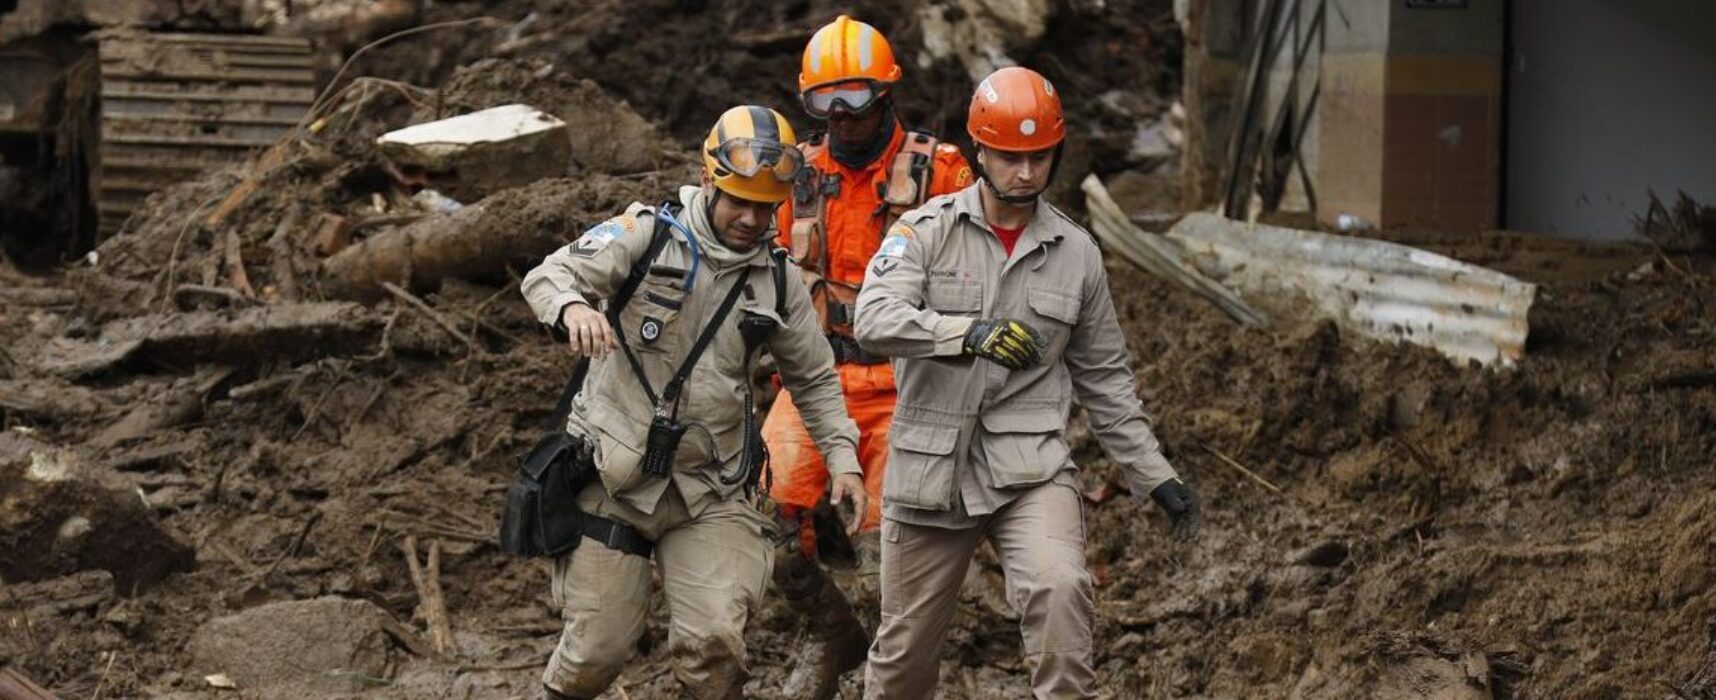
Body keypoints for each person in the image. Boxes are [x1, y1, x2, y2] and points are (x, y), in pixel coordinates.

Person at [852, 66, 1202, 699]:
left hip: (1030, 468)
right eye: (1011, 158)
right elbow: (873, 319)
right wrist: (966, 334)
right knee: (903, 657)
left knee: (1061, 592)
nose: (1026, 173)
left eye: (1039, 157)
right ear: (980, 152)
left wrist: (1155, 475)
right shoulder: (924, 232)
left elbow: (1105, 379)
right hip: (931, 470)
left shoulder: (1077, 252)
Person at [520, 105, 868, 700]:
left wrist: (843, 459)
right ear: (709, 181)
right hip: (613, 479)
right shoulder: (646, 236)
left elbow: (813, 377)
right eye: (740, 202)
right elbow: (549, 275)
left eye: (767, 207)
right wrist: (574, 307)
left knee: (715, 649)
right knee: (596, 652)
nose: (752, 219)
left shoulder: (778, 279)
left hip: (710, 487)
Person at [761, 15, 974, 698]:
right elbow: (756, 271)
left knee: (893, 555)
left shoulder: (941, 173)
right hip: (815, 378)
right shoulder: (794, 177)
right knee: (760, 522)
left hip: (909, 383)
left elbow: (982, 278)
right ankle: (830, 633)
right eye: (824, 101)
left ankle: (894, 674)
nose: (841, 115)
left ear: (886, 94)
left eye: (854, 97)